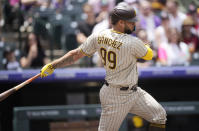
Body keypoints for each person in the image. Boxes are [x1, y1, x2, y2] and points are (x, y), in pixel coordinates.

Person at [40, 2, 167, 131]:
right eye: (131, 22)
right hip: (116, 95)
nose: (134, 24)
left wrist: (53, 65)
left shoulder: (100, 35)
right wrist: (145, 46)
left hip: (133, 92)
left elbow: (75, 55)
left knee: (159, 115)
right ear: (121, 22)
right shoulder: (133, 42)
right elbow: (149, 55)